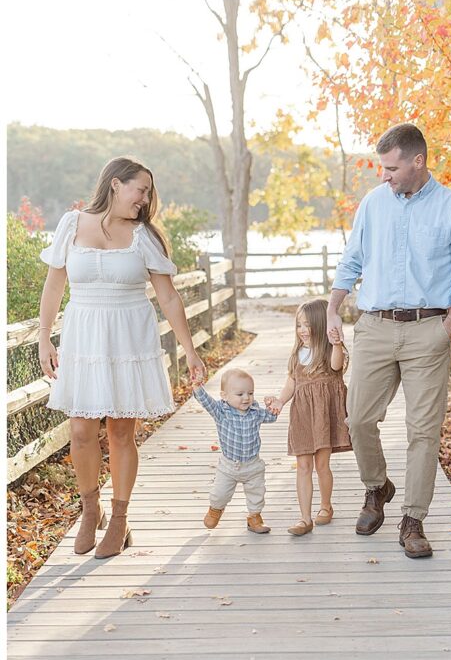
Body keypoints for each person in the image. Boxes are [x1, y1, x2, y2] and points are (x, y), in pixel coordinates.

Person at [326, 123, 451, 559]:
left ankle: (413, 519)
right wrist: (332, 306)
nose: (384, 176)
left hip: (427, 330)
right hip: (374, 326)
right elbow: (352, 258)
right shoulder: (373, 204)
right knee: (357, 419)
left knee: (423, 431)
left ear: (418, 161)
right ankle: (377, 487)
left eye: (391, 167)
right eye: (382, 167)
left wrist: (446, 328)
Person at [37, 156, 206, 559]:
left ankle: (119, 519)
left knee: (119, 432)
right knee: (80, 430)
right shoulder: (71, 224)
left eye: (148, 193)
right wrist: (44, 338)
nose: (145, 199)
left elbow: (168, 296)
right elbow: (54, 284)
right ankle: (90, 507)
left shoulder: (144, 235)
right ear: (115, 184)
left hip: (128, 338)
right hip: (83, 339)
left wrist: (190, 350)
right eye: (140, 190)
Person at [269, 299, 352, 536]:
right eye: (299, 325)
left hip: (325, 415)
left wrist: (336, 344)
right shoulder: (297, 354)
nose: (302, 330)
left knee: (321, 465)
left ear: (321, 324)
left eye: (307, 324)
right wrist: (280, 401)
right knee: (303, 466)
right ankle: (305, 518)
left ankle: (325, 506)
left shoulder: (328, 351)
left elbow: (336, 368)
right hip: (303, 415)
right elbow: (291, 383)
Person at [193, 368, 279, 534]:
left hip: (253, 465)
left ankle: (254, 518)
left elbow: (272, 417)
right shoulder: (221, 412)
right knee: (220, 493)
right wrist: (197, 386)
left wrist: (272, 405)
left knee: (257, 493)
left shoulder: (255, 412)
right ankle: (215, 510)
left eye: (250, 393)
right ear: (225, 396)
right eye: (240, 394)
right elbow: (206, 401)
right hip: (229, 467)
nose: (246, 398)